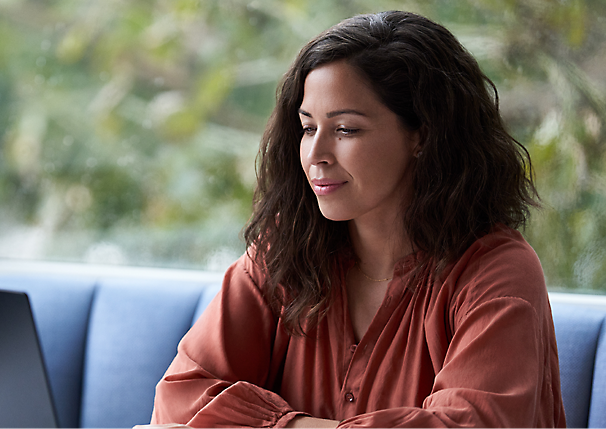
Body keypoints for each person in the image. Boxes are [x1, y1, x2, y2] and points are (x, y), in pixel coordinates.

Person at [135, 10, 566, 429]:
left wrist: (277, 425)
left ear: (424, 135)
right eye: (307, 128)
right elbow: (179, 398)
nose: (316, 154)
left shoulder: (497, 273)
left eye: (346, 130)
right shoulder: (286, 250)